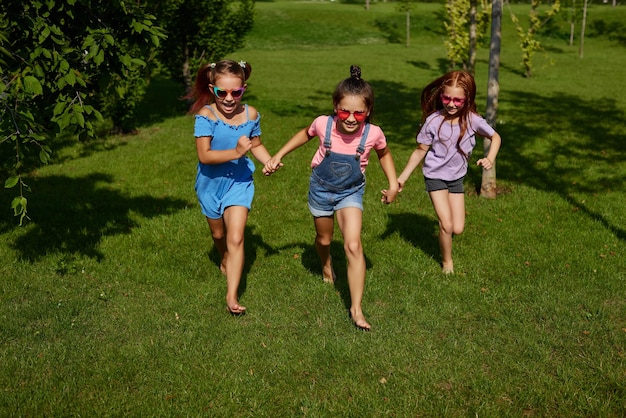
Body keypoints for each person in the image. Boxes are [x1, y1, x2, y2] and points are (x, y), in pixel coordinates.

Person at [263, 65, 398, 331]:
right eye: (344, 111)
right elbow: (304, 133)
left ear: (368, 111)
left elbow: (384, 154)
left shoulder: (373, 133)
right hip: (321, 189)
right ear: (335, 106)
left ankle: (356, 309)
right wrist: (278, 155)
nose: (350, 118)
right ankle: (326, 264)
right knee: (324, 239)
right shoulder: (322, 124)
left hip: (351, 191)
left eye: (358, 112)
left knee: (353, 245)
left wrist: (393, 184)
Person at [187, 59, 272, 315]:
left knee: (236, 237)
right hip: (210, 185)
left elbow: (255, 144)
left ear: (243, 88)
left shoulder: (250, 114)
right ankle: (222, 255)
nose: (228, 98)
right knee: (219, 236)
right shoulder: (206, 116)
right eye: (221, 92)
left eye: (236, 92)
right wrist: (235, 151)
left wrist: (268, 161)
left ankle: (232, 295)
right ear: (212, 89)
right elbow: (205, 156)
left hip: (239, 181)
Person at [397, 70, 502, 275]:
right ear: (441, 96)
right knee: (446, 224)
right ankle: (447, 262)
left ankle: (446, 237)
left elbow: (495, 137)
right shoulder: (433, 121)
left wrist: (490, 158)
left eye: (457, 100)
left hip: (456, 178)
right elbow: (420, 151)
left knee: (457, 228)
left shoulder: (473, 120)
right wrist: (402, 177)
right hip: (434, 175)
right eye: (447, 98)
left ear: (467, 99)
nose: (451, 104)